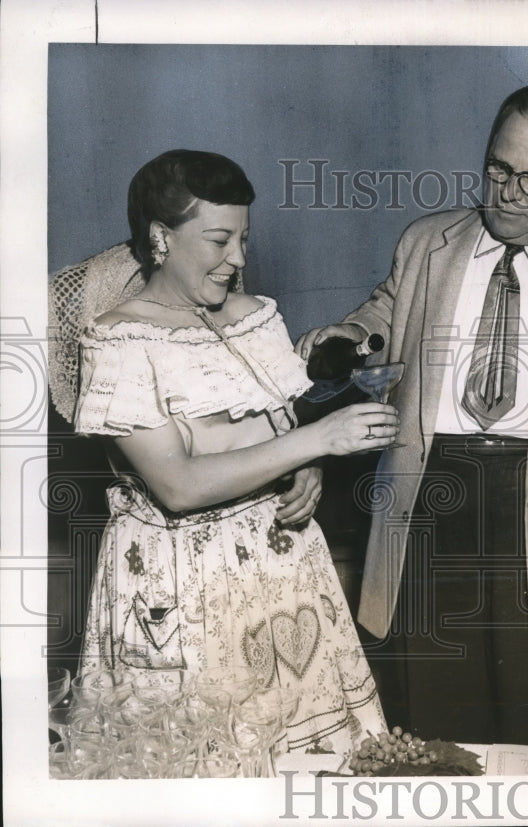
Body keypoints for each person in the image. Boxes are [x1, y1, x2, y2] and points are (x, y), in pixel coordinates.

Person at [296, 86, 528, 746]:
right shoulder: (425, 243)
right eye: (498, 169)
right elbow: (382, 316)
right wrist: (345, 339)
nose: (509, 193)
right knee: (430, 735)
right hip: (429, 499)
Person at [72, 149, 396, 754]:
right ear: (160, 238)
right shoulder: (120, 341)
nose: (239, 260)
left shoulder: (254, 321)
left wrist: (306, 467)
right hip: (179, 593)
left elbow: (274, 436)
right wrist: (320, 439)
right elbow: (178, 485)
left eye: (244, 239)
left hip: (285, 573)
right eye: (219, 240)